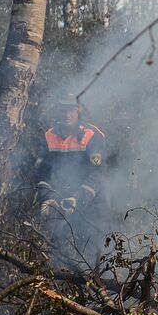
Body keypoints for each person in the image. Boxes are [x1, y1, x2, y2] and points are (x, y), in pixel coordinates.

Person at [34, 95, 108, 260]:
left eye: (71, 110)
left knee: (94, 252)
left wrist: (78, 197)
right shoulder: (49, 136)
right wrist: (47, 198)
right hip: (62, 202)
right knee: (60, 253)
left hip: (93, 203)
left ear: (78, 111)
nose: (67, 114)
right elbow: (42, 173)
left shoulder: (91, 135)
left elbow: (98, 172)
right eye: (63, 110)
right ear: (57, 111)